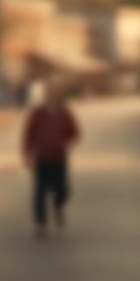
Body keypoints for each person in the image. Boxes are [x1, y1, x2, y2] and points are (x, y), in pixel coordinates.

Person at [22, 81, 81, 239]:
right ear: (46, 94)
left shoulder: (66, 113)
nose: (54, 95)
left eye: (57, 92)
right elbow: (28, 136)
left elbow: (75, 133)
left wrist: (65, 143)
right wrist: (27, 155)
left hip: (59, 159)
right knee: (39, 192)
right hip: (41, 159)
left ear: (61, 95)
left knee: (63, 190)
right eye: (51, 92)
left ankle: (58, 206)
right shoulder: (37, 113)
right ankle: (40, 223)